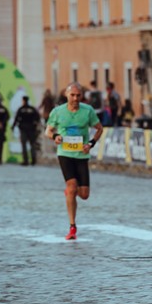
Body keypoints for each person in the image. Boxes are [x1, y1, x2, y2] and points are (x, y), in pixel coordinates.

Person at [45, 82, 103, 240]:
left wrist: (91, 143)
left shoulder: (88, 111)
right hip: (65, 154)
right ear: (66, 95)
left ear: (82, 96)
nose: (75, 98)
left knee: (84, 195)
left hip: (81, 155)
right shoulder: (58, 112)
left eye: (78, 95)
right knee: (71, 188)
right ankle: (72, 227)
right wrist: (55, 137)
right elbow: (48, 130)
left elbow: (99, 128)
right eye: (72, 95)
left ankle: (71, 192)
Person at [12, 96, 41, 166]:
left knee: (24, 145)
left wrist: (13, 126)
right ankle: (33, 160)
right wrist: (35, 124)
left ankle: (26, 161)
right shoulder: (32, 109)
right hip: (32, 129)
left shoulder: (21, 109)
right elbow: (38, 117)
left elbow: (16, 118)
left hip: (23, 129)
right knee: (32, 145)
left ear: (23, 101)